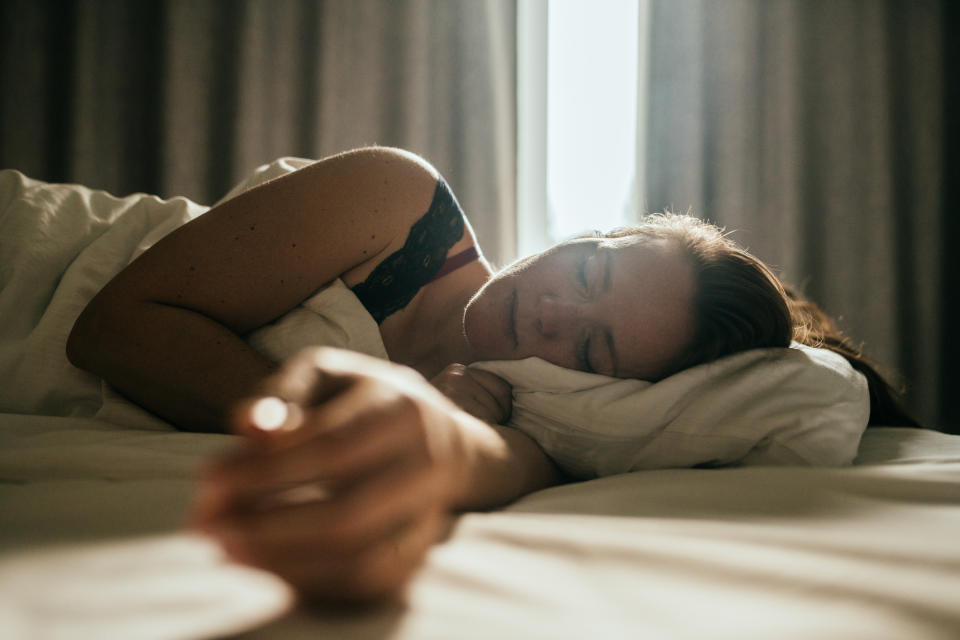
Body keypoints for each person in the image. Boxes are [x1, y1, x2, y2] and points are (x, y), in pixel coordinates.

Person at [65, 146, 915, 603]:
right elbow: (112, 328)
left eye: (592, 351)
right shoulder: (401, 207)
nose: (553, 315)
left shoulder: (533, 421)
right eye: (586, 273)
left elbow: (805, 398)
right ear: (588, 233)